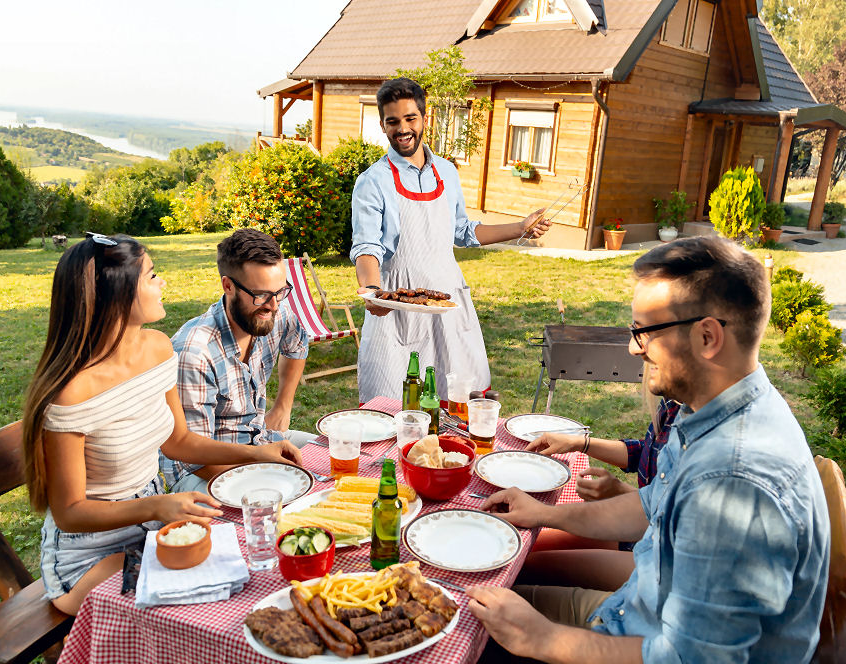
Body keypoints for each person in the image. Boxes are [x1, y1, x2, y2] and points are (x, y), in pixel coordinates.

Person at [469, 236, 830, 663]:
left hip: (646, 643)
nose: (632, 348)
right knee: (483, 586)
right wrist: (543, 515)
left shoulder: (733, 483)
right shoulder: (710, 408)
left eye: (644, 332)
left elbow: (690, 659)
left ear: (708, 337)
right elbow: (648, 508)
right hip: (634, 613)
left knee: (459, 634)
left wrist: (544, 640)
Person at [22, 233, 302, 615]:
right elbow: (70, 512)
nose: (162, 283)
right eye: (152, 276)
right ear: (118, 294)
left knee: (250, 571)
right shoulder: (71, 393)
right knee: (206, 605)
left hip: (157, 528)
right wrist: (157, 507)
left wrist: (256, 454)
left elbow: (179, 441)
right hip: (89, 555)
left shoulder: (155, 347)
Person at [351, 77, 551, 403]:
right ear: (383, 125)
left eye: (410, 118)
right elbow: (367, 246)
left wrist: (520, 228)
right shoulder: (372, 182)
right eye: (393, 121)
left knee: (456, 405)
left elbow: (462, 231)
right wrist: (373, 291)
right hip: (398, 306)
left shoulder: (447, 172)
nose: (402, 128)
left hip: (448, 303)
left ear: (424, 119)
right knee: (393, 407)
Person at [160, 228, 314, 494]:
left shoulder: (275, 311)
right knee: (279, 504)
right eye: (261, 295)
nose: (274, 305)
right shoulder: (194, 352)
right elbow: (193, 456)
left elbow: (297, 344)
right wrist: (267, 471)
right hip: (202, 471)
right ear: (228, 286)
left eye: (280, 292)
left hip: (262, 440)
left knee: (334, 454)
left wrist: (283, 406)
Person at [521, 372, 680, 591]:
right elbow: (649, 451)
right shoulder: (677, 402)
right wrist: (579, 443)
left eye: (643, 338)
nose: (635, 349)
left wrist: (622, 492)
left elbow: (667, 519)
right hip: (641, 532)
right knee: (526, 550)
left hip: (658, 561)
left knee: (528, 566)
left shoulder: (711, 436)